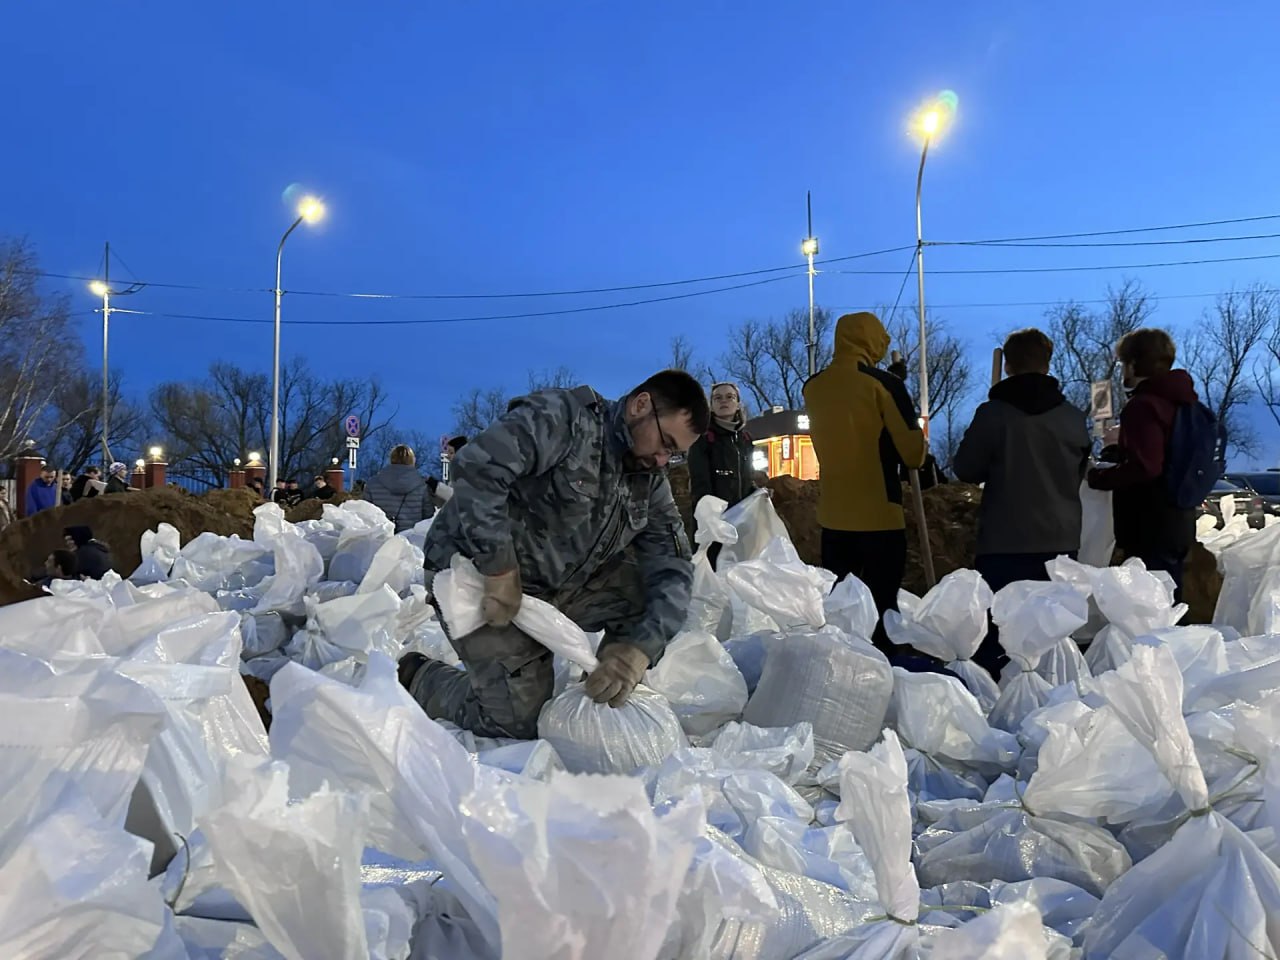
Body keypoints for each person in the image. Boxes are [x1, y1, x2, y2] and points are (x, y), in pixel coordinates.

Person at [402, 369, 708, 739]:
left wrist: (637, 650)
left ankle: (600, 693)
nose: (663, 460)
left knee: (649, 590)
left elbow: (673, 566)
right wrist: (498, 567)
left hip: (556, 585)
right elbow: (480, 468)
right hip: (472, 574)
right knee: (519, 721)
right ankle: (418, 675)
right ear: (641, 405)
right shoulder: (564, 419)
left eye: (673, 455)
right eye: (666, 443)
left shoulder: (648, 480)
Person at [953, 329, 1092, 672]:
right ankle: (1052, 701)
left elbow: (966, 468)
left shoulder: (994, 414)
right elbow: (1079, 472)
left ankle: (1001, 705)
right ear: (1048, 363)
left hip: (1004, 540)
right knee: (1051, 633)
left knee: (1001, 631)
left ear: (1009, 365)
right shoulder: (1073, 418)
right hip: (1060, 540)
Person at [803, 311, 926, 658]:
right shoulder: (884, 385)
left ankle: (841, 677)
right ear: (871, 339)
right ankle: (884, 679)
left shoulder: (814, 387)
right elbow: (913, 453)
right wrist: (896, 388)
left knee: (842, 610)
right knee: (882, 612)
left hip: (833, 517)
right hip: (879, 516)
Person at [1087, 328, 1202, 601]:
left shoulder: (1144, 406)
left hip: (1149, 525)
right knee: (1168, 603)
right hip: (1179, 518)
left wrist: (1098, 477)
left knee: (1148, 613)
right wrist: (1118, 449)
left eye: (1123, 363)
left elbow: (1146, 466)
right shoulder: (1184, 403)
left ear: (1134, 364)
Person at [686, 381, 755, 534]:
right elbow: (700, 484)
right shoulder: (702, 439)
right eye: (717, 398)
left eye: (729, 397)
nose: (723, 401)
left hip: (741, 521)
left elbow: (747, 479)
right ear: (711, 405)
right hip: (713, 524)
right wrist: (710, 517)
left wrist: (758, 494)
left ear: (738, 404)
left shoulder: (745, 439)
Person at [363, 445, 435, 533]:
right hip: (411, 540)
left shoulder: (372, 484)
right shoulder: (422, 486)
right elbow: (428, 517)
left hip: (380, 538)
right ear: (413, 461)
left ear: (391, 459)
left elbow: (365, 514)